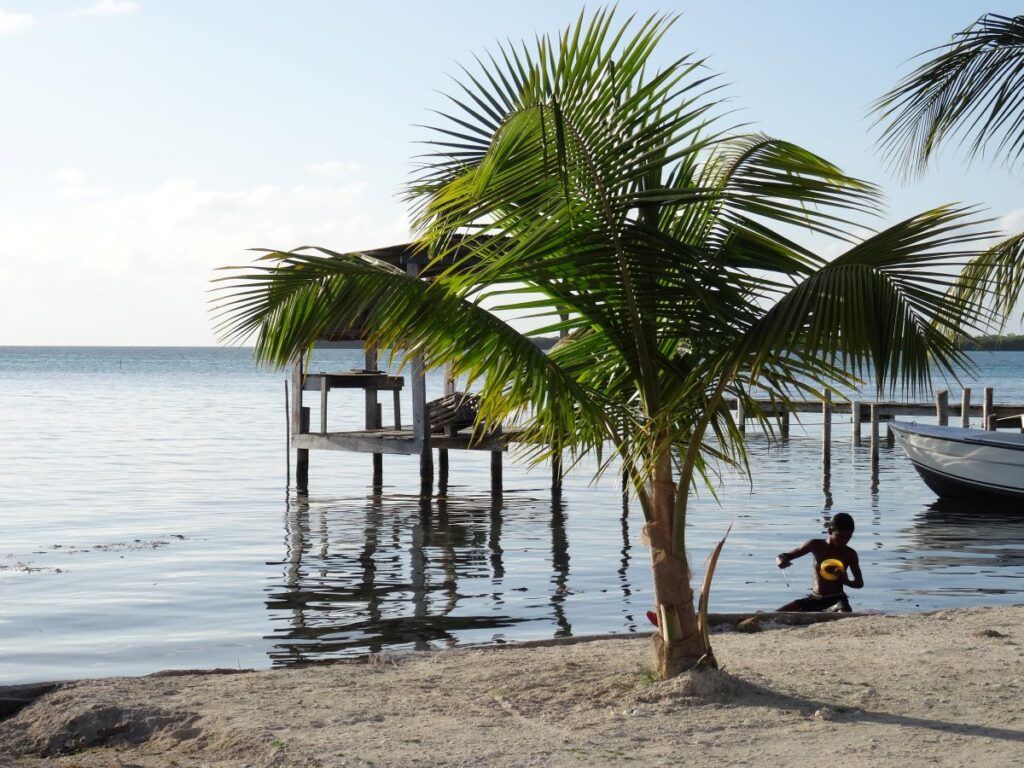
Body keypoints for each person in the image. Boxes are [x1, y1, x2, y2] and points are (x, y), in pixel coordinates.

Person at [776, 512, 863, 612]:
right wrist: (781, 560)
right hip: (814, 599)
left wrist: (845, 580)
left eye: (848, 538)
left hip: (837, 600)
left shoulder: (850, 554)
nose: (844, 541)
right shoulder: (815, 545)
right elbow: (785, 555)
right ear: (830, 531)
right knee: (775, 614)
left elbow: (859, 583)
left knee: (843, 612)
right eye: (839, 536)